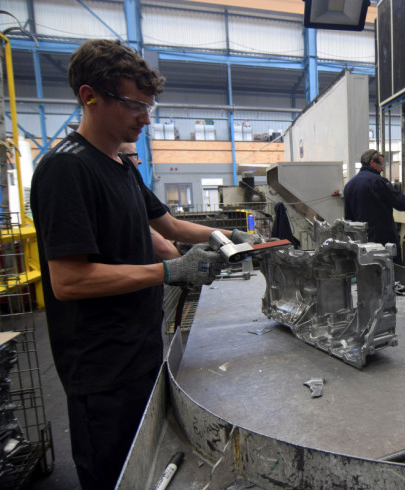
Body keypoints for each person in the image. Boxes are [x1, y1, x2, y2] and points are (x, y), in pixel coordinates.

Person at [29, 39, 259, 490]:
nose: (146, 118)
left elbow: (168, 225)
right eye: (135, 105)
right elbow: (69, 281)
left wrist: (226, 236)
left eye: (149, 105)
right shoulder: (65, 170)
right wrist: (171, 272)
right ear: (89, 96)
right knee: (116, 474)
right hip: (100, 368)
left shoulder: (120, 164)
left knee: (147, 468)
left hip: (139, 347)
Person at [344, 149, 405, 265]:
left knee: (367, 273)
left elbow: (348, 219)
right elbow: (400, 202)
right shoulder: (377, 182)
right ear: (373, 163)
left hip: (361, 242)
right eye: (381, 164)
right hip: (381, 239)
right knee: (390, 272)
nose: (382, 169)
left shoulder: (349, 185)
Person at [119, 142, 180, 260]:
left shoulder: (135, 186)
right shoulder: (124, 195)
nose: (140, 161)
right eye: (134, 155)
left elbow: (172, 227)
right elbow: (164, 248)